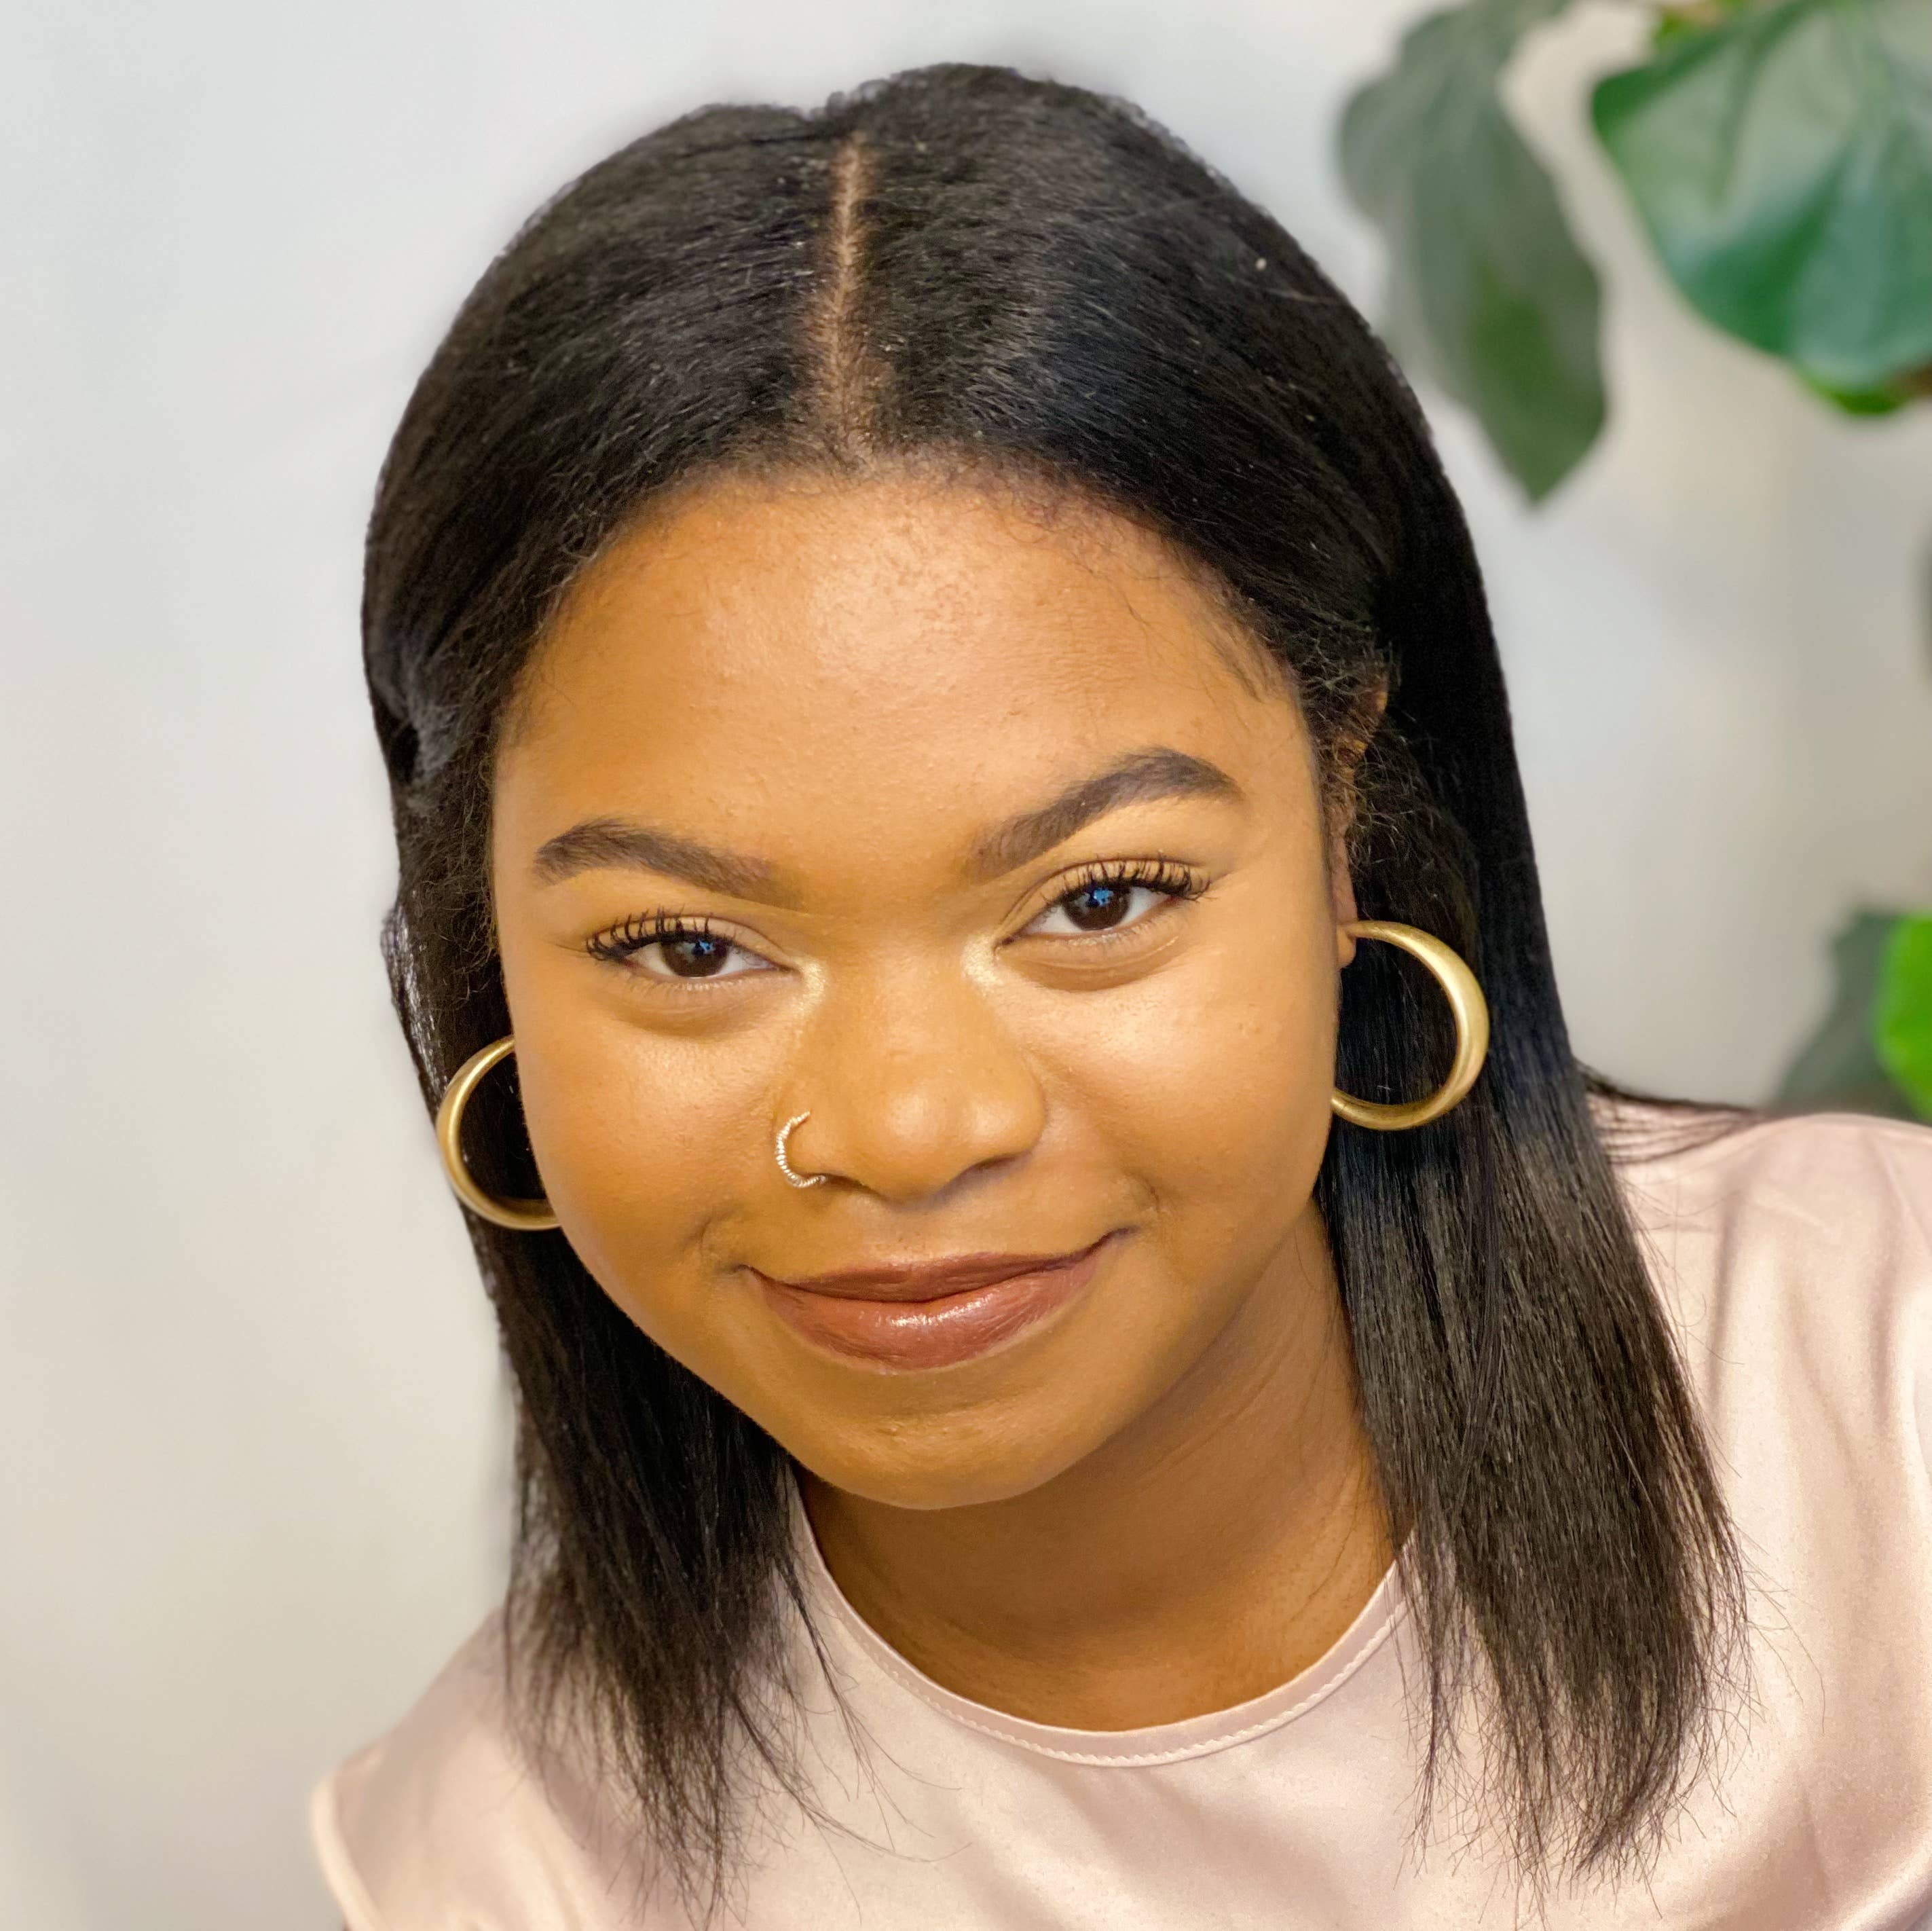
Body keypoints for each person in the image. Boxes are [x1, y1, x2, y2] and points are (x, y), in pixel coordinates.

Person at [310, 61, 1932, 1930]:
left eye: (1099, 896)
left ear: (1353, 820)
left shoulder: (1885, 1390)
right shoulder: (506, 1866)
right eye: (688, 946)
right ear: (487, 942)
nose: (909, 1126)